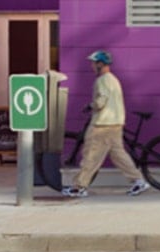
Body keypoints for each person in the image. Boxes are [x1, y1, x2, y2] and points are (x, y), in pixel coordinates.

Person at [62, 51, 150, 198]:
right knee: (119, 155)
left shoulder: (102, 80)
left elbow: (101, 101)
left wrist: (91, 106)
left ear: (100, 64)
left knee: (91, 155)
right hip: (115, 123)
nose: (91, 65)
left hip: (102, 125)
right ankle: (138, 181)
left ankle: (79, 187)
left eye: (93, 63)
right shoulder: (114, 80)